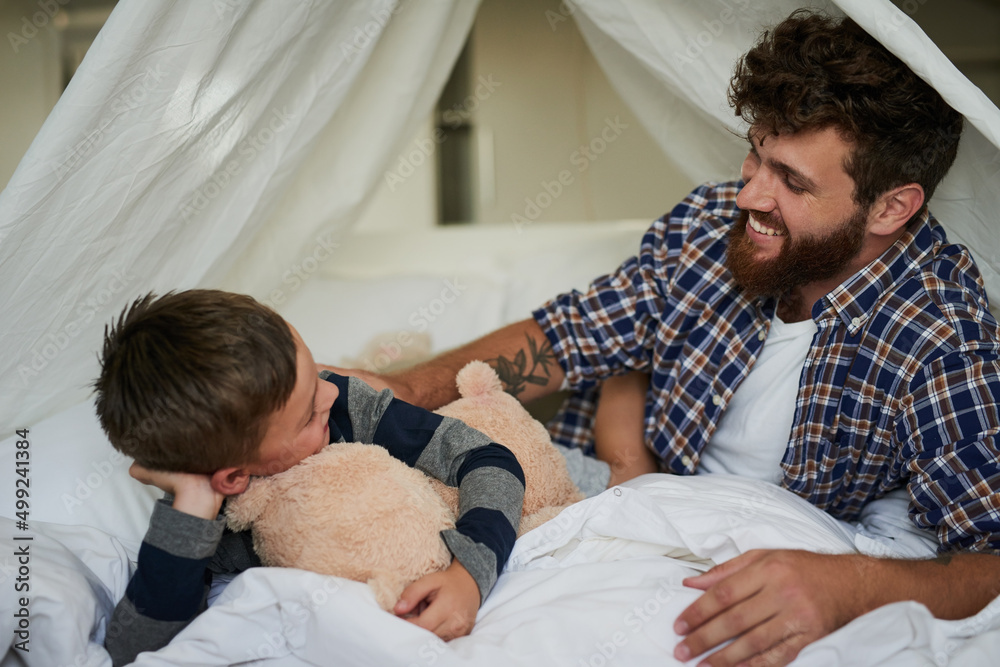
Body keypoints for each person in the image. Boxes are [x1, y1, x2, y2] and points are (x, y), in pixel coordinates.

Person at [328, 10, 1000, 667]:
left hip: (756, 550)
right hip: (618, 506)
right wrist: (403, 389)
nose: (749, 196)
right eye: (756, 155)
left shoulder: (942, 334)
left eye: (791, 181)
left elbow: (990, 556)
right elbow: (568, 337)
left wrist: (845, 586)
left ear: (891, 207)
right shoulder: (707, 227)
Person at [93, 290, 524, 666]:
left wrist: (468, 574)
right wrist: (193, 498)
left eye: (314, 373)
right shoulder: (206, 515)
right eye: (307, 416)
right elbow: (136, 651)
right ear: (233, 477)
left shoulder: (345, 404)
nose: (331, 392)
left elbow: (487, 458)